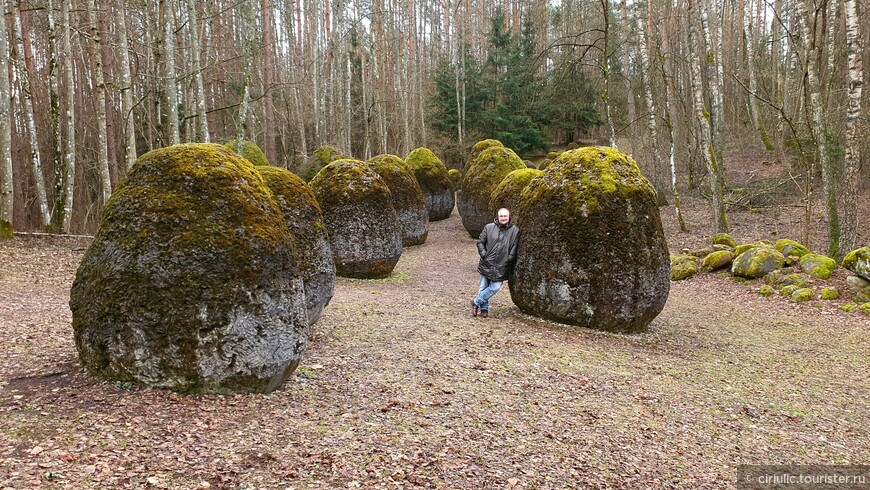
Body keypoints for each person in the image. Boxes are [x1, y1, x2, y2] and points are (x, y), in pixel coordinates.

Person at [471, 208, 520, 318]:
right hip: (487, 262)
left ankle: (476, 302)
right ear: (498, 217)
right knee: (483, 287)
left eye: (505, 216)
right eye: (501, 216)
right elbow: (480, 242)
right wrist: (484, 255)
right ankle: (484, 309)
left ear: (509, 217)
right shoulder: (489, 227)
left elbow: (514, 247)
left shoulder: (514, 231)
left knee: (495, 287)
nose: (503, 218)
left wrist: (509, 259)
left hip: (502, 265)